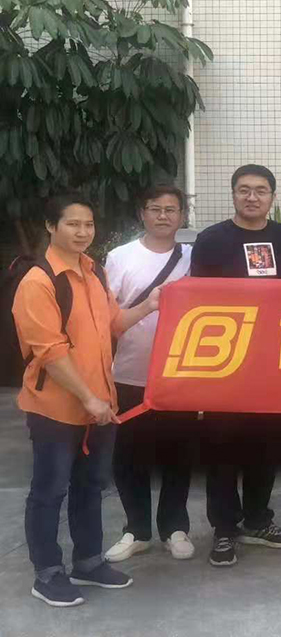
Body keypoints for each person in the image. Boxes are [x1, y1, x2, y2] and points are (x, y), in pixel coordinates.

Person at [13, 195, 163, 607]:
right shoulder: (39, 281)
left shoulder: (93, 271)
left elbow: (114, 323)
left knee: (90, 486)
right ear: (51, 226)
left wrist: (149, 305)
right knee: (49, 491)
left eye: (89, 225)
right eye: (72, 224)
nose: (82, 232)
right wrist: (88, 398)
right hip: (56, 409)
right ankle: (47, 573)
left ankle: (88, 562)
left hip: (100, 405)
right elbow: (50, 352)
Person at [190, 164, 281, 567]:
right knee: (223, 447)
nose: (252, 197)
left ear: (272, 196)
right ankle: (224, 528)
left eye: (261, 190)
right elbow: (196, 302)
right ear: (233, 193)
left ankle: (257, 520)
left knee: (265, 446)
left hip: (270, 361)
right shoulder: (211, 239)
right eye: (244, 190)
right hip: (225, 362)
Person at [105, 186, 195, 565]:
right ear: (142, 213)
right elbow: (106, 318)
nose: (163, 216)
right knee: (129, 456)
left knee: (178, 453)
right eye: (155, 209)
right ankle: (136, 530)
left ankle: (175, 528)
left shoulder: (193, 257)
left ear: (182, 216)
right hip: (130, 373)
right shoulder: (119, 257)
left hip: (181, 375)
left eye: (171, 210)